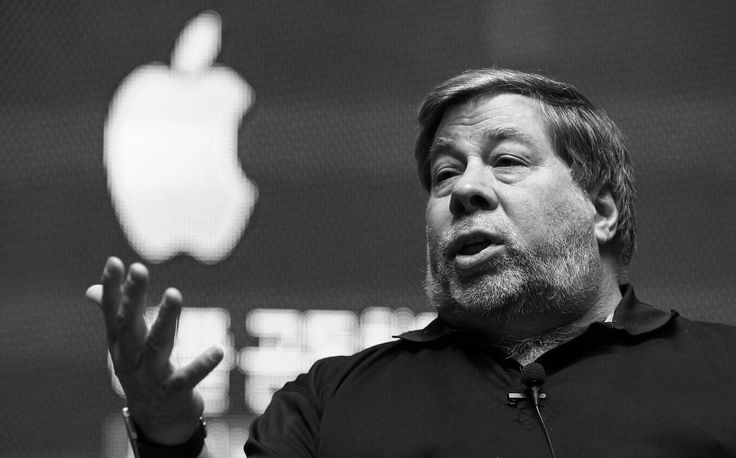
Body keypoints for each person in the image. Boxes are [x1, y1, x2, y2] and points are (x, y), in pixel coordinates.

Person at [87, 68, 736, 457]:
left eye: (507, 161)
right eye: (445, 173)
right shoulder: (329, 402)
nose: (465, 189)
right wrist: (168, 437)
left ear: (601, 211)